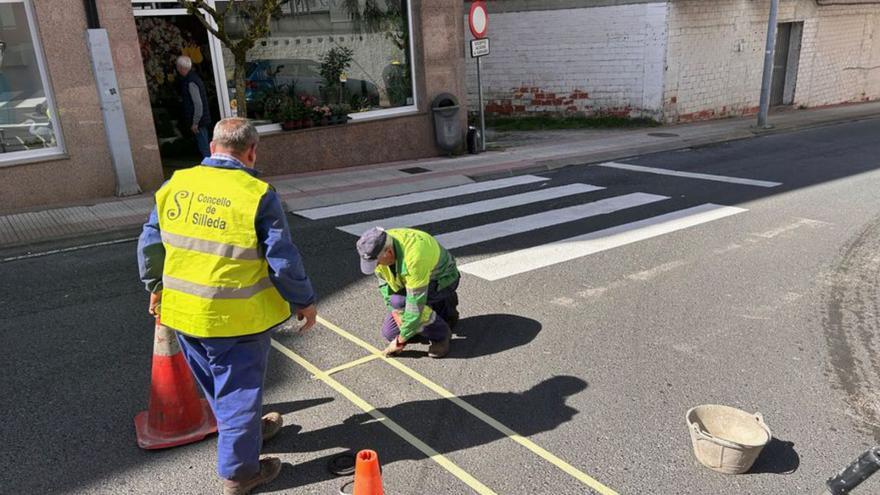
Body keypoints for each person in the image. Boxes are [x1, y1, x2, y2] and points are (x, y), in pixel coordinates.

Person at [137, 117, 317, 495]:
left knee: (220, 389)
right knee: (237, 395)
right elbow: (282, 258)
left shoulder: (176, 185)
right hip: (237, 320)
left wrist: (156, 286)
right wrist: (303, 301)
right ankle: (240, 474)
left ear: (212, 148)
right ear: (251, 152)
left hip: (185, 315)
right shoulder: (257, 193)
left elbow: (150, 245)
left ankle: (247, 433)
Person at [356, 227, 460, 358]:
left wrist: (400, 341)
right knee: (390, 333)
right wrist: (396, 314)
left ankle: (441, 334)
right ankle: (441, 310)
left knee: (401, 303)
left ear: (388, 253)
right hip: (412, 283)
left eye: (376, 262)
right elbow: (385, 287)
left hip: (443, 280)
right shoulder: (379, 246)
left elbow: (415, 305)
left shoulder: (415, 258)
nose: (376, 266)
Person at [176, 55, 211, 158]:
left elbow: (198, 104)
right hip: (201, 120)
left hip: (199, 121)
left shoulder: (191, 81)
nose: (177, 70)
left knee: (204, 148)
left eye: (178, 67)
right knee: (204, 145)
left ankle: (211, 170)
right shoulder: (193, 78)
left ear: (182, 67)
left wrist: (195, 122)